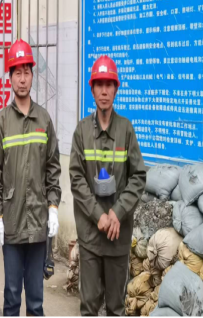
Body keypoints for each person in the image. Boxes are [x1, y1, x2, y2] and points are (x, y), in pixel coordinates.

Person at [69, 55, 146, 316]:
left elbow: (138, 176)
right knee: (89, 307)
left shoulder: (126, 129)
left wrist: (116, 212)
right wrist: (98, 215)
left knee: (115, 308)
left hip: (117, 236)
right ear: (92, 90)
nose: (104, 91)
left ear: (116, 89)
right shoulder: (81, 132)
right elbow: (76, 178)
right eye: (99, 84)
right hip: (91, 236)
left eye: (109, 84)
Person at [0, 39, 62, 317]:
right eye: (17, 73)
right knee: (11, 297)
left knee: (35, 300)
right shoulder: (2, 122)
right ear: (10, 78)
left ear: (32, 76)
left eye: (26, 72)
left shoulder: (44, 120)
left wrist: (52, 207)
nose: (22, 79)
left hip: (37, 225)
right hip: (11, 224)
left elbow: (52, 168)